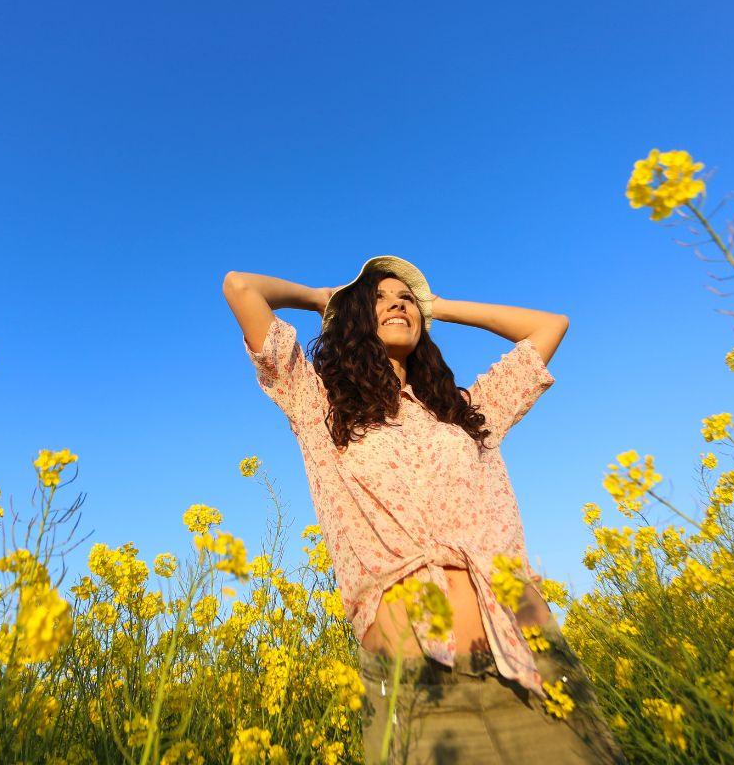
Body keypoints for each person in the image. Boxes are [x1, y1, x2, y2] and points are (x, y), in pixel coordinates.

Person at [223, 256, 627, 764]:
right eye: (378, 299)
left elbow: (550, 326)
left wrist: (435, 306)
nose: (396, 303)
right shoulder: (320, 408)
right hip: (419, 688)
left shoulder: (466, 410)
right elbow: (240, 287)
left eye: (405, 299)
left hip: (532, 664)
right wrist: (327, 297)